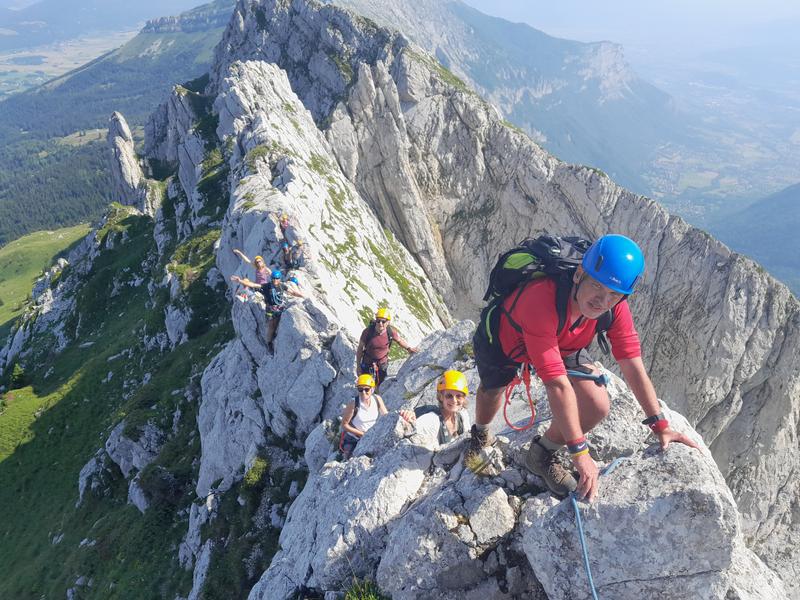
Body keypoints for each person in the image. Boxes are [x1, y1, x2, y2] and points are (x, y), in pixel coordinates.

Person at [467, 234, 699, 502]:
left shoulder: (616, 308)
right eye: (598, 287)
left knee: (597, 404)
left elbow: (632, 364)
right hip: (506, 339)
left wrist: (660, 424)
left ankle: (542, 454)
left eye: (614, 294)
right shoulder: (540, 299)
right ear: (579, 275)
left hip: (563, 342)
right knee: (492, 390)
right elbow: (557, 385)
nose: (603, 300)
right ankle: (481, 433)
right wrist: (581, 454)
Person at [230, 268, 304, 351]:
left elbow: (292, 292)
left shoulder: (282, 286)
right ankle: (269, 343)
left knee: (277, 324)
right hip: (270, 309)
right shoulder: (267, 286)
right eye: (274, 278)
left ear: (279, 279)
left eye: (277, 278)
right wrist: (240, 281)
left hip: (280, 308)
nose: (275, 280)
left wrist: (302, 296)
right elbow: (253, 285)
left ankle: (275, 336)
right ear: (271, 278)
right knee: (271, 326)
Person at [400, 370, 471, 445]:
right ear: (441, 397)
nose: (454, 400)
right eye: (449, 396)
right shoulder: (432, 420)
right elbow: (411, 430)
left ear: (464, 398)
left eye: (459, 396)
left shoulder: (463, 416)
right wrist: (409, 419)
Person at [356, 308, 418, 387]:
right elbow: (360, 348)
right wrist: (358, 366)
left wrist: (409, 348)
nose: (380, 323)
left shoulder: (390, 332)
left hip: (382, 363)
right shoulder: (367, 332)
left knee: (380, 385)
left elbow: (399, 341)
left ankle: (377, 396)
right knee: (365, 384)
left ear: (388, 322)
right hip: (367, 362)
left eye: (383, 321)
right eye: (378, 321)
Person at [340, 374, 388, 458]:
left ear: (372, 389)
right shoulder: (353, 403)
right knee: (352, 459)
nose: (363, 392)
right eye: (360, 389)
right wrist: (361, 434)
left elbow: (386, 417)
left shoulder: (377, 399)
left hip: (371, 435)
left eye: (367, 389)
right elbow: (344, 425)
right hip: (353, 438)